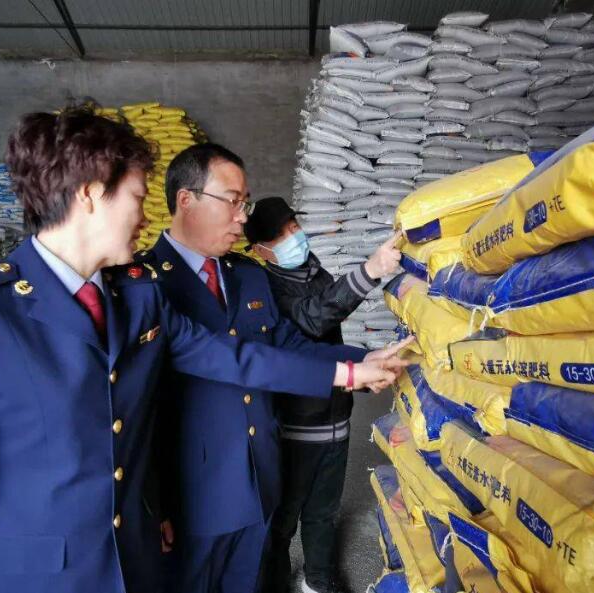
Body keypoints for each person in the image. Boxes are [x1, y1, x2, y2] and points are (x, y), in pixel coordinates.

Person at [0, 105, 405, 593]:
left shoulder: (136, 296)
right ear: (91, 193)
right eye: (137, 197)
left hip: (134, 561)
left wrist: (350, 370)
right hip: (42, 576)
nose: (145, 217)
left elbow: (231, 355)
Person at [146, 143, 407, 593]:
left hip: (261, 479)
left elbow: (287, 344)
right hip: (192, 495)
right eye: (232, 201)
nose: (242, 218)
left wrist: (360, 359)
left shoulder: (246, 275)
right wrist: (150, 504)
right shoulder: (146, 285)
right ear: (186, 199)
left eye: (244, 204)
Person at [244, 197, 401, 593]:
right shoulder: (266, 288)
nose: (293, 237)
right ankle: (275, 583)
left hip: (336, 416)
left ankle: (317, 580)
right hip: (296, 425)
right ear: (260, 251)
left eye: (293, 226)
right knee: (283, 517)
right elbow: (312, 321)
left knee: (324, 511)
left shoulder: (317, 272)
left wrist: (363, 367)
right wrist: (369, 271)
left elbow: (329, 336)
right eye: (280, 235)